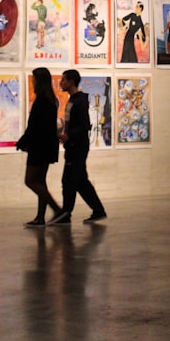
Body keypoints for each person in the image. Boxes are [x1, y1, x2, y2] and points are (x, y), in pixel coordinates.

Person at [48, 70, 107, 226]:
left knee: (68, 181)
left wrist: (69, 135)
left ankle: (66, 213)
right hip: (74, 145)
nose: (61, 83)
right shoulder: (73, 100)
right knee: (80, 181)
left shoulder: (79, 101)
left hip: (77, 146)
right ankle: (98, 210)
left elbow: (85, 125)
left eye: (64, 80)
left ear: (72, 81)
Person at [16, 68, 63, 227]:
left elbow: (34, 126)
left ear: (39, 81)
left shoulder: (42, 100)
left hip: (39, 146)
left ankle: (58, 210)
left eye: (34, 79)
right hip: (47, 145)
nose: (33, 82)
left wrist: (23, 141)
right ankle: (40, 217)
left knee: (30, 180)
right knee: (40, 182)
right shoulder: (50, 99)